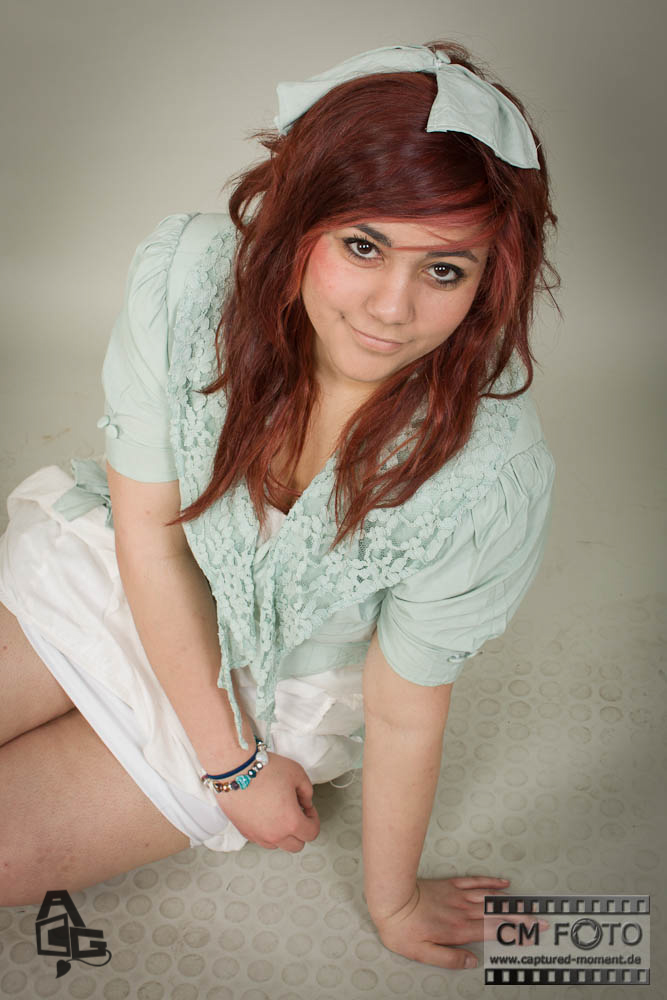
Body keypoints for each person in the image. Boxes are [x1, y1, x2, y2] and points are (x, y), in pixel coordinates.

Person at [0, 42, 557, 969]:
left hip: (272, 686)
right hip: (128, 573)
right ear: (301, 221)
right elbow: (150, 537)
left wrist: (391, 900)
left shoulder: (486, 473)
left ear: (488, 280)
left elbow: (404, 709)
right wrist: (227, 766)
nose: (391, 308)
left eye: (444, 271)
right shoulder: (190, 281)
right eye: (362, 246)